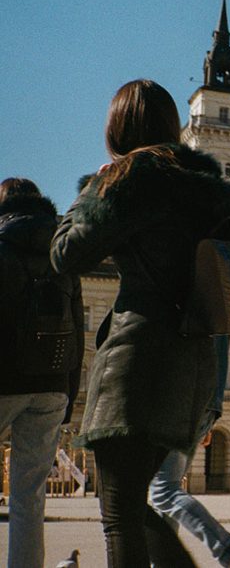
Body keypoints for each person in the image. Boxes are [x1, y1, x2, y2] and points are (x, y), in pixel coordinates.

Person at [50, 79, 230, 567]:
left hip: (136, 364)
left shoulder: (134, 178)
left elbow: (64, 254)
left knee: (119, 515)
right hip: (193, 367)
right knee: (136, 507)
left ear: (118, 129)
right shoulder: (216, 195)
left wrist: (95, 188)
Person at [0, 178, 84, 568]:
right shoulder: (61, 253)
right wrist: (67, 392)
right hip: (52, 386)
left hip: (5, 380)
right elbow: (78, 329)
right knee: (29, 496)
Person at [149, 335, 230, 567]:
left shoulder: (186, 298)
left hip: (179, 401)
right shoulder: (217, 300)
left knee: (163, 491)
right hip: (204, 403)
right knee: (167, 499)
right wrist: (209, 414)